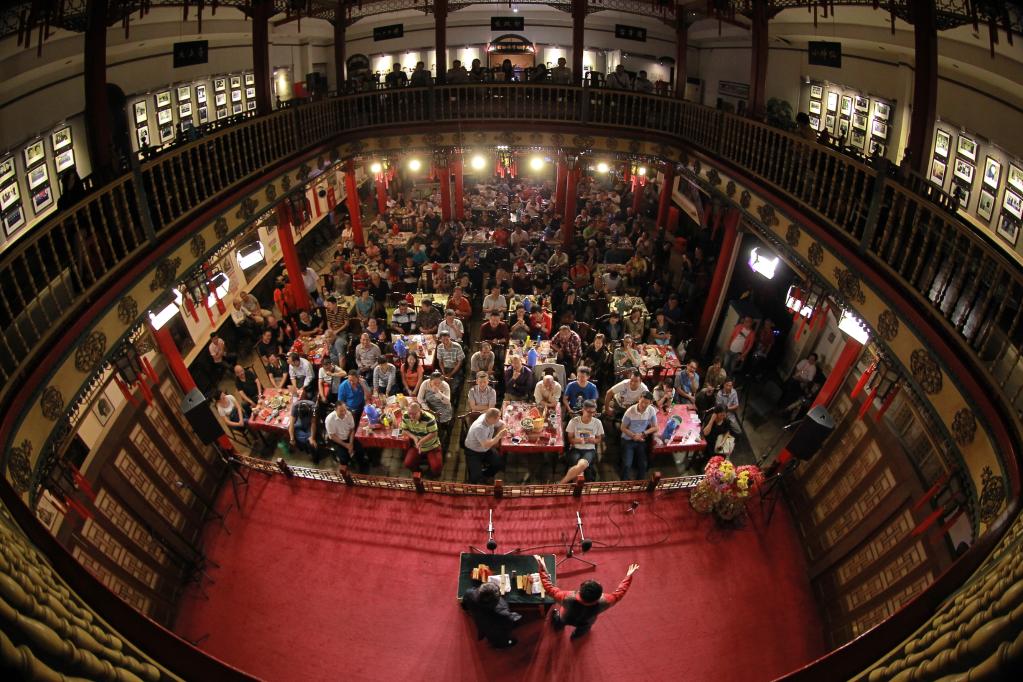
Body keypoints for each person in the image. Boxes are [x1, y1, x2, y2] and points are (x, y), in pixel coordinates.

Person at [534, 555, 638, 639]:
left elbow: (549, 588)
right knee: (583, 629)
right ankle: (576, 635)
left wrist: (542, 568)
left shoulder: (567, 597)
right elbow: (619, 593)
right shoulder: (605, 602)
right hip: (586, 621)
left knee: (560, 621)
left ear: (580, 590)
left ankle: (558, 627)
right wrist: (628, 576)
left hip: (566, 617)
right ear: (600, 595)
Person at [461, 582, 521, 649]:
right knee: (502, 640)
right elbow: (511, 622)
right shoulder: (502, 613)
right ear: (495, 602)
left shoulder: (469, 593)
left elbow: (464, 605)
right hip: (494, 633)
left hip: (481, 623)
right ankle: (506, 643)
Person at [561, 400, 604, 483]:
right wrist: (577, 440)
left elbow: (599, 439)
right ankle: (577, 484)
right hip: (575, 449)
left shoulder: (597, 422)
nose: (591, 414)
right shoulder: (574, 421)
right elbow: (570, 439)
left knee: (582, 464)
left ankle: (562, 483)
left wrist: (593, 440)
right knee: (577, 464)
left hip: (589, 450)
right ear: (583, 410)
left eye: (593, 412)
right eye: (589, 412)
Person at [620, 391, 658, 480]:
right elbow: (623, 428)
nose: (644, 405)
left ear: (650, 402)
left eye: (646, 403)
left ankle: (639, 483)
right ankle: (623, 482)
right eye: (642, 402)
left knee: (643, 465)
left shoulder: (651, 410)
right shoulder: (630, 411)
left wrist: (643, 433)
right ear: (639, 399)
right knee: (627, 465)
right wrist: (634, 436)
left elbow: (655, 427)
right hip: (628, 439)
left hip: (641, 440)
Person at [463, 408, 507, 484]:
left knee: (499, 464)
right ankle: (479, 478)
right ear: (492, 418)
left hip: (485, 449)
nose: (500, 418)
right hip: (473, 451)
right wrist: (498, 436)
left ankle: (485, 475)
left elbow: (503, 424)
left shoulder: (488, 418)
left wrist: (495, 439)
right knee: (475, 478)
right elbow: (486, 445)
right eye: (498, 417)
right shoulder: (480, 428)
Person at [401, 401, 443, 475]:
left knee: (436, 467)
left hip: (432, 446)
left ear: (420, 411)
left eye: (414, 414)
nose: (411, 417)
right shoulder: (405, 415)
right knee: (408, 463)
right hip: (416, 446)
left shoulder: (429, 418)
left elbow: (434, 433)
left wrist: (421, 442)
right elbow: (404, 430)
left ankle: (432, 475)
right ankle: (419, 472)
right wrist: (414, 438)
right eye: (410, 413)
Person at [324, 401, 368, 470]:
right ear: (335, 410)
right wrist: (346, 445)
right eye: (341, 411)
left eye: (345, 410)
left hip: (349, 437)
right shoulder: (329, 419)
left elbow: (352, 429)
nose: (344, 413)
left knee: (360, 450)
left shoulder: (349, 414)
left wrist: (350, 443)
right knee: (344, 458)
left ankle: (362, 466)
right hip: (337, 441)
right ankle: (346, 470)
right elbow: (332, 436)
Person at [435, 331, 466, 397]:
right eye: (443, 340)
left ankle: (453, 399)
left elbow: (460, 362)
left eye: (447, 339)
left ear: (449, 338)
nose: (445, 341)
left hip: (455, 369)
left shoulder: (457, 346)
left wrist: (450, 374)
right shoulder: (439, 347)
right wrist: (444, 373)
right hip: (445, 368)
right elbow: (440, 362)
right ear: (440, 340)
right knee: (439, 385)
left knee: (454, 387)